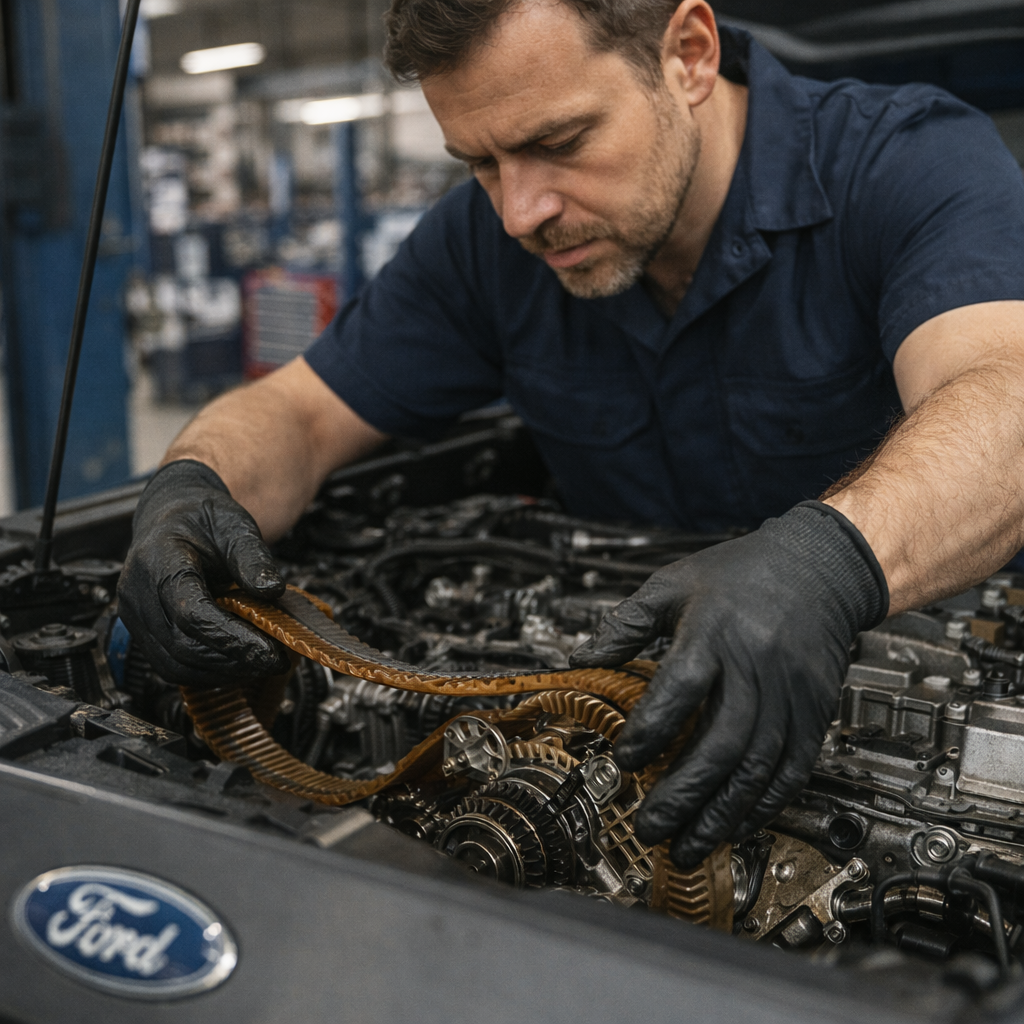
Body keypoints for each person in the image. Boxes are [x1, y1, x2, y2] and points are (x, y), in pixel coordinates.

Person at [119, 0, 1024, 868]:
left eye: (558, 143)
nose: (520, 213)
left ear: (689, 55)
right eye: (480, 162)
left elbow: (1006, 392)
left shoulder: (903, 162)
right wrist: (193, 485)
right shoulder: (481, 246)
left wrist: (830, 564)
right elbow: (300, 413)